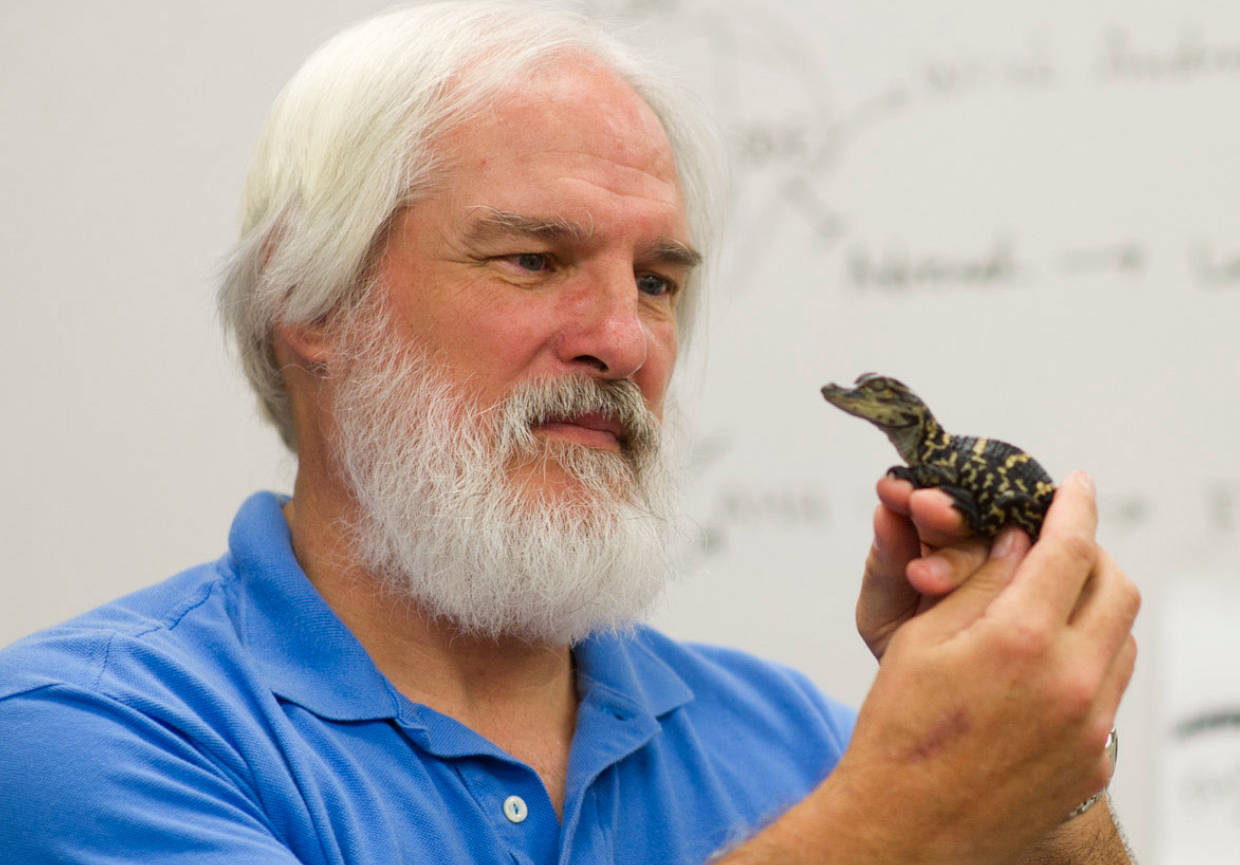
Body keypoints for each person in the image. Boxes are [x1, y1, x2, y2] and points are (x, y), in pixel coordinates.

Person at [0, 3, 1140, 863]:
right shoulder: (88, 737)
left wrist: (1044, 771)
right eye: (532, 260)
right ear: (309, 302)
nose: (625, 340)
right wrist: (906, 812)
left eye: (656, 280)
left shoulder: (797, 738)